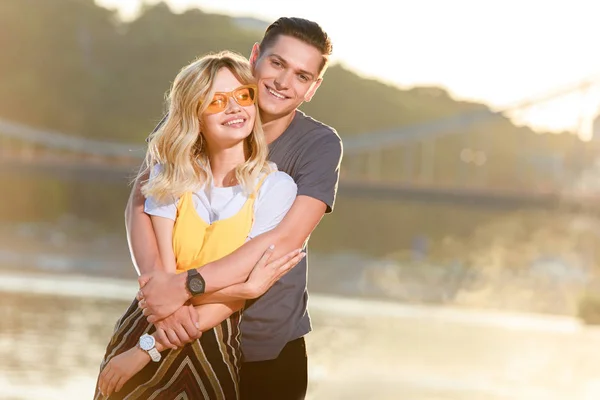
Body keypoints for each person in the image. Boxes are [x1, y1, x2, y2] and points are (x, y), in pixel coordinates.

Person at [132, 17, 342, 399]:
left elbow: (284, 239)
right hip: (175, 329)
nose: (283, 82)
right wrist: (159, 292)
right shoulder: (196, 114)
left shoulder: (318, 146)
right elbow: (142, 201)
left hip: (265, 348)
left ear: (313, 88)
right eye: (277, 64)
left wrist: (181, 286)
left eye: (301, 75)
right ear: (256, 57)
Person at [95, 50, 304, 399]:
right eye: (216, 101)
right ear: (195, 114)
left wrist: (145, 350)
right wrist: (246, 290)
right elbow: (162, 279)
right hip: (144, 327)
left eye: (243, 96)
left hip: (210, 346)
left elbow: (226, 300)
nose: (235, 108)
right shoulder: (170, 174)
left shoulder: (276, 188)